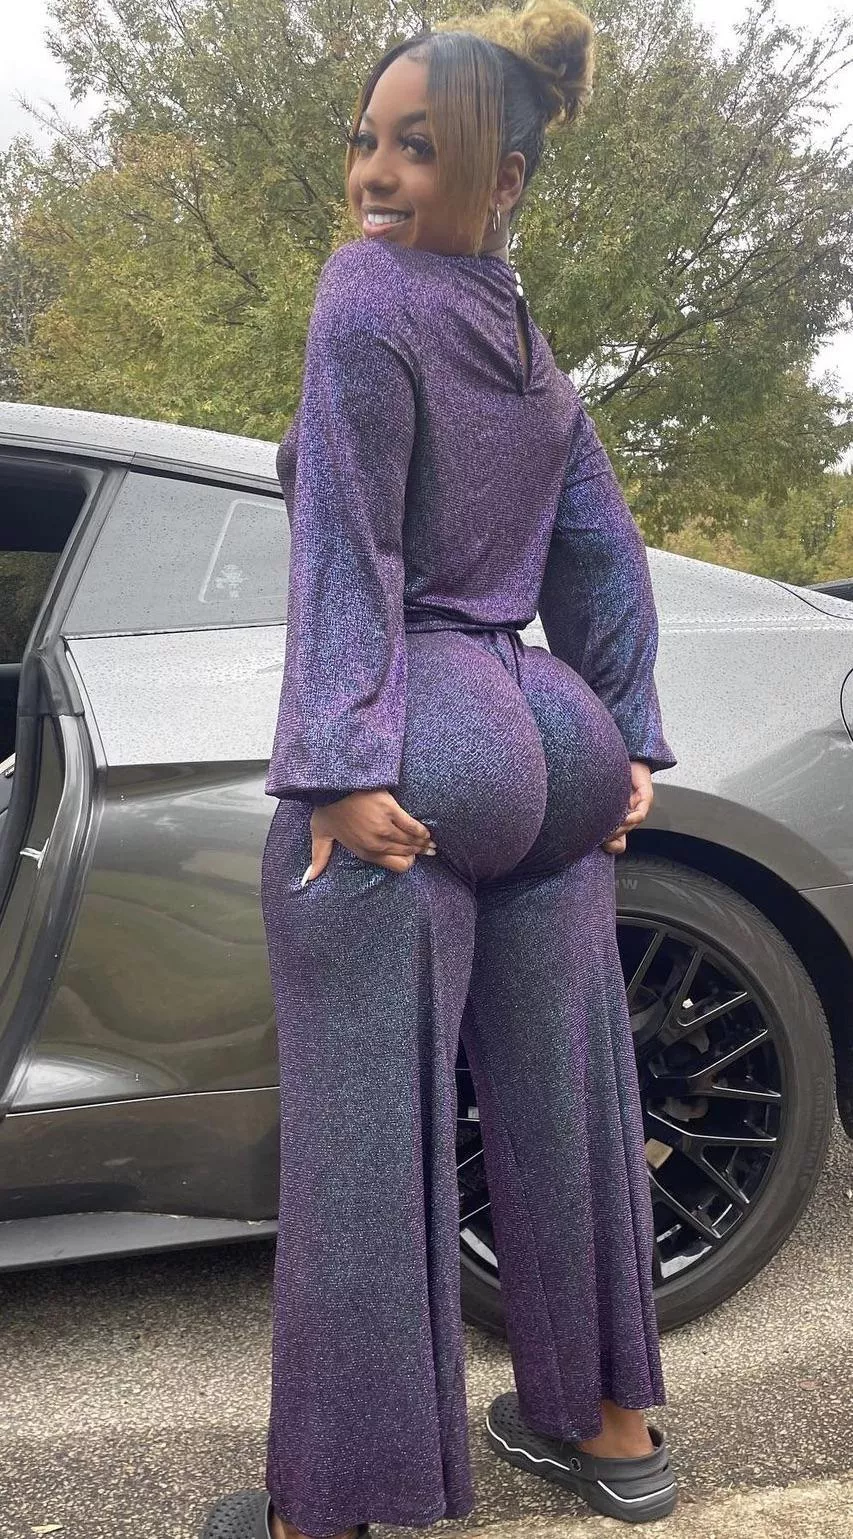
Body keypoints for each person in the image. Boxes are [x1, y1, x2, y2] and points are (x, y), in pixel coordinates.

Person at [201, 3, 679, 1537]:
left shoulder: (366, 296)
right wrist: (629, 736)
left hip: (415, 729)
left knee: (365, 1132)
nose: (376, 174)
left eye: (419, 147)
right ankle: (612, 1432)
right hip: (546, 726)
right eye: (367, 141)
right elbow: (603, 553)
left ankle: (324, 1510)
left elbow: (349, 537)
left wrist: (334, 761)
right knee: (571, 1103)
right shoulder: (533, 351)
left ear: (507, 177)